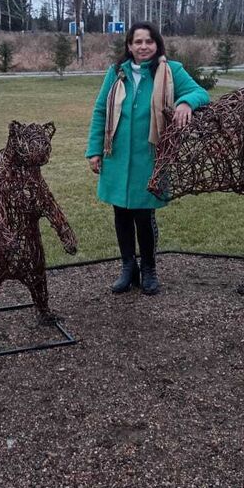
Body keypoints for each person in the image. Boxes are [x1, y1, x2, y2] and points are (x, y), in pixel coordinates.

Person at [85, 22, 211, 295]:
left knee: (144, 215)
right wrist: (94, 150)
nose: (143, 46)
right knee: (121, 214)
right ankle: (128, 268)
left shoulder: (171, 70)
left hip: (150, 158)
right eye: (138, 41)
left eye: (149, 41)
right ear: (129, 46)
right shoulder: (116, 73)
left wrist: (186, 102)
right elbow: (100, 111)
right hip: (117, 156)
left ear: (157, 44)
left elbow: (201, 93)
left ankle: (149, 269)